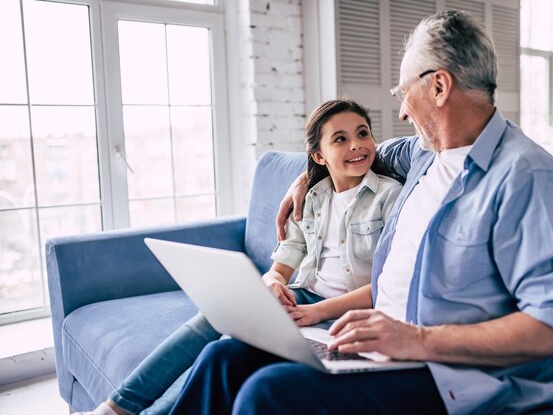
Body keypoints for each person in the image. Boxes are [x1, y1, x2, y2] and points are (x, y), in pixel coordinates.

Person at [167, 9, 553, 415]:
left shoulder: (528, 177)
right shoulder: (425, 153)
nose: (403, 110)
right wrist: (310, 174)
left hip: (451, 372)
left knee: (268, 393)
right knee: (223, 357)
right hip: (379, 346)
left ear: (439, 87)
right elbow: (362, 153)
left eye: (404, 92)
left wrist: (417, 340)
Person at [76, 98, 401, 415]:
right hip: (304, 297)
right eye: (340, 139)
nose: (357, 146)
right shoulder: (313, 197)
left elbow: (388, 284)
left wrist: (318, 311)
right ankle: (115, 407)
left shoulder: (390, 195)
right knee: (214, 318)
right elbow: (283, 265)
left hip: (346, 312)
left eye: (363, 133)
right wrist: (271, 282)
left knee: (228, 352)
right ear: (319, 155)